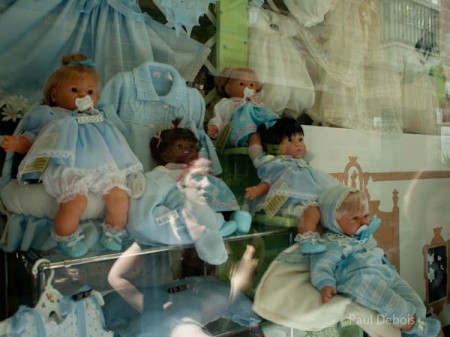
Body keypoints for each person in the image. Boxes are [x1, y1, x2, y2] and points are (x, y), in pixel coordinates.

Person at [1, 53, 143, 258]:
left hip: (102, 167)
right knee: (76, 201)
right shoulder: (51, 116)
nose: (82, 96)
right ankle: (65, 236)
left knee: (119, 197)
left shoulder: (98, 118)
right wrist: (18, 143)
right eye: (74, 90)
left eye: (90, 92)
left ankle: (113, 232)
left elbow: (114, 145)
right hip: (67, 167)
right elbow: (36, 140)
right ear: (53, 93)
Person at [310, 184, 441, 337]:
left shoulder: (364, 237)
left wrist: (389, 270)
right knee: (383, 297)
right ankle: (410, 324)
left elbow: (376, 255)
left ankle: (415, 326)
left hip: (383, 273)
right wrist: (326, 284)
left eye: (365, 216)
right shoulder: (332, 242)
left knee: (415, 302)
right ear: (334, 221)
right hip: (358, 278)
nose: (364, 223)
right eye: (355, 218)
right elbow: (321, 265)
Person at [126, 119, 252, 265]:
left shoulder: (199, 174)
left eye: (192, 147)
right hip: (177, 224)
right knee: (191, 202)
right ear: (165, 155)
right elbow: (145, 215)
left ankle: (227, 220)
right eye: (179, 146)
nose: (188, 150)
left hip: (199, 220)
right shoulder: (161, 175)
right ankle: (213, 233)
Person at [245, 117, 339, 254]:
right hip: (293, 202)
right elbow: (269, 182)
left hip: (314, 198)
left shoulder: (304, 165)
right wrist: (257, 190)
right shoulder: (279, 164)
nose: (298, 144)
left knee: (335, 202)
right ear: (276, 147)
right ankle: (306, 240)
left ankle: (358, 226)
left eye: (300, 140)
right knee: (311, 211)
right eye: (291, 140)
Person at [206, 67, 279, 149]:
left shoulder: (256, 104)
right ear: (228, 88)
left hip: (259, 133)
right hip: (238, 134)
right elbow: (219, 117)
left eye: (251, 85)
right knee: (246, 110)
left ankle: (275, 133)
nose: (247, 87)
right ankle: (251, 140)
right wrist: (215, 126)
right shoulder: (227, 103)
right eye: (241, 84)